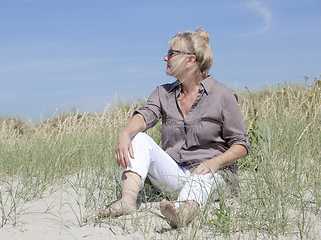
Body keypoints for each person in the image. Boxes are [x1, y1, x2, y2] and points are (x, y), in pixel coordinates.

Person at [98, 29, 250, 228]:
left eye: (171, 53)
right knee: (139, 138)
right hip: (177, 174)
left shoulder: (222, 94)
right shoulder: (163, 93)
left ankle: (183, 214)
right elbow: (145, 115)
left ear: (190, 60)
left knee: (201, 178)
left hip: (214, 175)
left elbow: (241, 145)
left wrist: (215, 162)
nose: (165, 57)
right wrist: (125, 133)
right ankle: (127, 201)